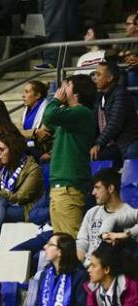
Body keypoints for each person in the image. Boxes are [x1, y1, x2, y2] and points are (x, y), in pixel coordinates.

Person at [42, 75, 96, 238]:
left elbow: (50, 116)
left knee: (71, 243)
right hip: (60, 185)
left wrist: (56, 100)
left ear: (77, 94)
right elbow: (49, 122)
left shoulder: (82, 112)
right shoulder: (69, 115)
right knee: (60, 242)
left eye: (68, 85)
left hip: (69, 186)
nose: (62, 89)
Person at [27, 233, 88, 306]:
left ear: (60, 251)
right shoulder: (45, 274)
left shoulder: (79, 275)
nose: (45, 247)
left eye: (50, 245)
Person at [76, 169, 134, 267]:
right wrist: (78, 262)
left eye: (97, 188)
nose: (93, 192)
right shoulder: (92, 212)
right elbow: (82, 241)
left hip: (110, 269)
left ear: (110, 188)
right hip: (87, 269)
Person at [91, 61, 138, 162]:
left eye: (98, 74)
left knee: (131, 153)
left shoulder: (121, 94)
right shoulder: (100, 96)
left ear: (110, 78)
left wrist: (99, 143)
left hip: (127, 141)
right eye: (94, 74)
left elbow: (115, 123)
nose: (95, 78)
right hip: (113, 143)